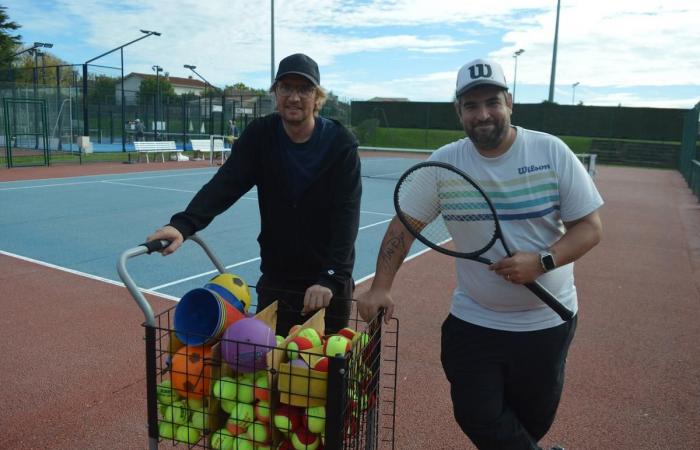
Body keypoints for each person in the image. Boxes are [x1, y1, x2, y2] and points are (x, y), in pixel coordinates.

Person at [357, 58, 603, 450]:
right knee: (476, 414)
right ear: (459, 112)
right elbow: (403, 227)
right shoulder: (444, 163)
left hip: (547, 321)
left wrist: (542, 261)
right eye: (471, 106)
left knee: (530, 426)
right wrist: (380, 286)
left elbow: (590, 228)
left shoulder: (550, 152)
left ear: (510, 102)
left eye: (492, 102)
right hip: (474, 320)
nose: (483, 113)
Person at [147, 53, 361, 336]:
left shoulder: (339, 144)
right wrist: (182, 225)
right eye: (286, 87)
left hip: (325, 286)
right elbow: (226, 184)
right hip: (277, 278)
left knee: (325, 374)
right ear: (275, 92)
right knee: (267, 372)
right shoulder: (261, 135)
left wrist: (331, 278)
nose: (294, 97)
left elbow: (347, 215)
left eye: (304, 89)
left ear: (317, 97)